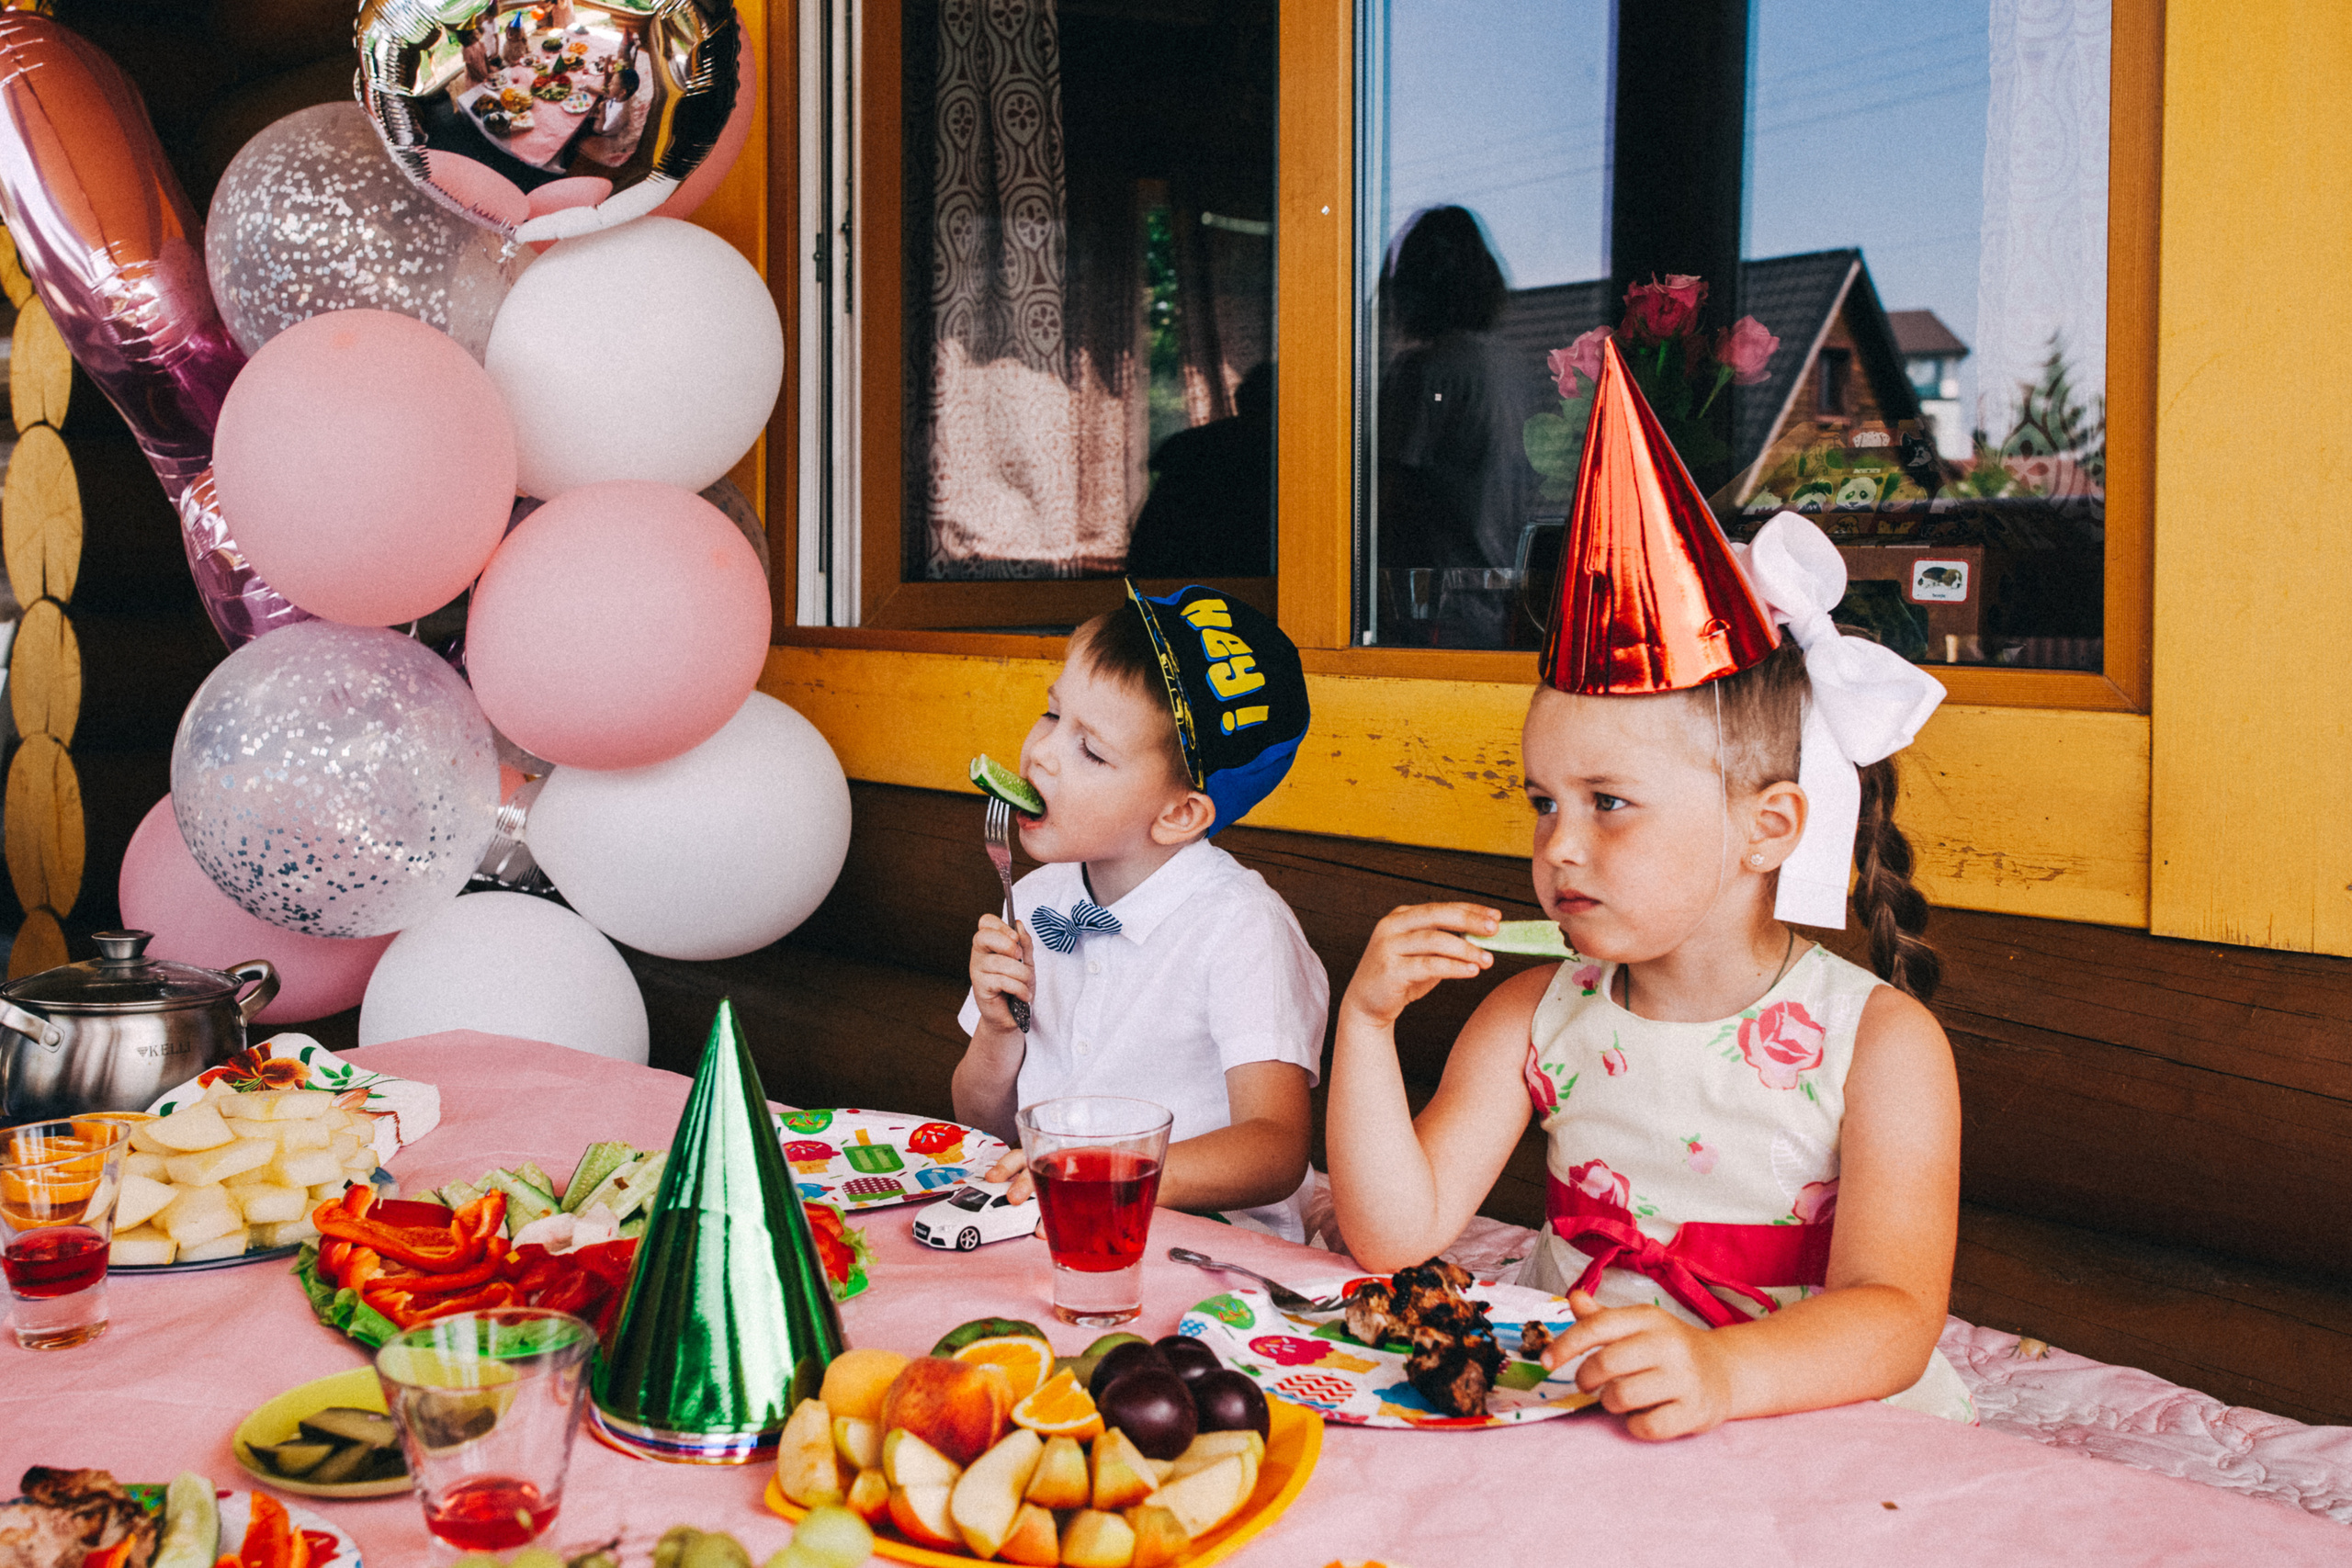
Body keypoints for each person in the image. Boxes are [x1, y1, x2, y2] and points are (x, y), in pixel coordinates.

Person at [1327, 344, 1972, 1436]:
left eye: (1608, 804)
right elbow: (1393, 1236)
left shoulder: (1883, 1044)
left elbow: (1896, 1314)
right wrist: (1367, 1021)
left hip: (1801, 1421)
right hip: (1581, 1414)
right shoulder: (1538, 1014)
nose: (1558, 848)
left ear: (1765, 829)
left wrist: (1721, 1376)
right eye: (1542, 802)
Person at [956, 584, 1327, 1240]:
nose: (1040, 753)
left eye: (1091, 750)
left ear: (1179, 813)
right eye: (1051, 714)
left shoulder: (1240, 926)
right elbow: (982, 1121)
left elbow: (1276, 1149)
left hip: (1203, 1241)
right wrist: (996, 1030)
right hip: (1053, 1223)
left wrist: (1111, 1172)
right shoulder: (1037, 898)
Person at [1374, 205, 1540, 646]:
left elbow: (1387, 498)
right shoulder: (1514, 367)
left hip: (1433, 609)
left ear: (1412, 286)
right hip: (1501, 605)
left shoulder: (1425, 369)